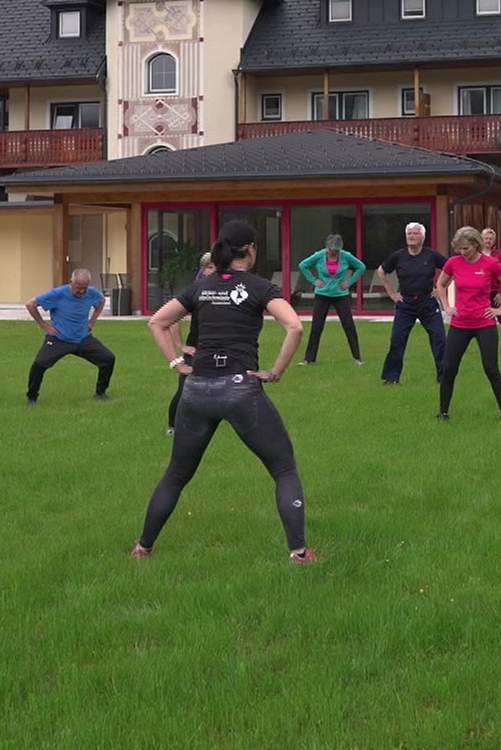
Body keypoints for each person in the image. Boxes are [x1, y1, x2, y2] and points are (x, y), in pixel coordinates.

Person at [134, 221, 319, 564]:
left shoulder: (201, 287)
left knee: (176, 474)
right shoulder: (260, 287)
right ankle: (299, 553)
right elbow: (294, 326)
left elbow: (156, 322)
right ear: (251, 249)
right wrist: (274, 372)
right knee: (283, 469)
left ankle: (142, 548)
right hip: (239, 390)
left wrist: (177, 363)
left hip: (196, 389)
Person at [434, 227, 501, 420]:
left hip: (484, 324)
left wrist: (500, 309)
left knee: (490, 368)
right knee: (449, 368)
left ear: (476, 245)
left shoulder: (491, 263)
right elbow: (440, 284)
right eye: (459, 249)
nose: (462, 252)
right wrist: (446, 305)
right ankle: (443, 413)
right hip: (460, 324)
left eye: (466, 248)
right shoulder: (453, 263)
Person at [24, 268, 115, 404]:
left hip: (83, 338)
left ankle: (100, 393)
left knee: (108, 359)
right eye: (79, 288)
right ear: (71, 282)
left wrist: (92, 321)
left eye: (85, 288)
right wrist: (44, 325)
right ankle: (32, 398)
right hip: (59, 338)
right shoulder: (57, 294)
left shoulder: (91, 293)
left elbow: (101, 301)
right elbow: (30, 304)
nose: (82, 291)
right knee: (39, 364)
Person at [375, 222, 448, 386]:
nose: (411, 236)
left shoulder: (431, 255)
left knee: (439, 339)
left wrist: (440, 288)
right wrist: (392, 293)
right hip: (405, 304)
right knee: (397, 339)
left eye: (415, 233)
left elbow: (449, 268)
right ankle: (391, 378)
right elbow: (381, 271)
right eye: (409, 233)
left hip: (428, 303)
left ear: (422, 237)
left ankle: (444, 377)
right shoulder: (398, 256)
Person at [163, 253, 216, 436]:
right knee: (186, 388)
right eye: (209, 267)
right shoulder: (196, 291)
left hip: (221, 348)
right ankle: (173, 426)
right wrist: (181, 346)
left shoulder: (227, 290)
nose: (213, 271)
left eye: (217, 267)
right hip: (196, 348)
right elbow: (171, 319)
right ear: (203, 270)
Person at [296, 234, 367, 366]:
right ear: (327, 248)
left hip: (341, 295)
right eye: (331, 251)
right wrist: (314, 280)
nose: (333, 254)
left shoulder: (346, 256)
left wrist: (349, 282)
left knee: (349, 326)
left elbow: (361, 267)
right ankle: (309, 358)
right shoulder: (319, 255)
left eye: (336, 251)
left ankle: (358, 357)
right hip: (322, 294)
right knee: (317, 326)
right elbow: (303, 265)